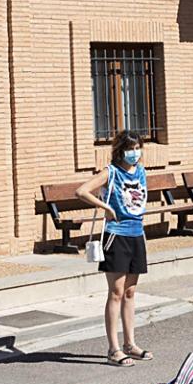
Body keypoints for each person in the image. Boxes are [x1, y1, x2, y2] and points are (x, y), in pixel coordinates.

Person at [74, 130, 153, 367]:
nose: (135, 153)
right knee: (116, 292)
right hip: (116, 236)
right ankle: (114, 349)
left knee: (130, 292)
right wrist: (105, 207)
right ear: (120, 150)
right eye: (130, 149)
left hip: (136, 234)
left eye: (137, 148)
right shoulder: (111, 172)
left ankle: (130, 344)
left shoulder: (141, 171)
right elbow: (81, 191)